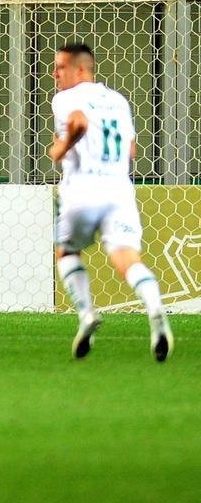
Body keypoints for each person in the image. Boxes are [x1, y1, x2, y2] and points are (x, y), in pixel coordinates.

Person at [47, 42, 172, 361]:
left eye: (60, 67)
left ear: (80, 69)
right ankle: (155, 308)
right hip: (119, 189)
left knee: (67, 251)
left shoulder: (65, 98)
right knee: (128, 260)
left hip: (82, 188)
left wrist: (63, 147)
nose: (54, 74)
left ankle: (87, 313)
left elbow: (77, 122)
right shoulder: (118, 100)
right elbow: (131, 151)